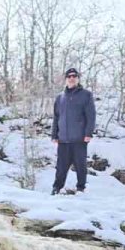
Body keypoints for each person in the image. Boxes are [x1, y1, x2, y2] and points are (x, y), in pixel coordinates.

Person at [50, 67, 96, 195]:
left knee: (80, 165)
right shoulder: (60, 97)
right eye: (69, 76)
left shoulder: (86, 95)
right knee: (61, 167)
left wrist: (88, 133)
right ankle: (56, 188)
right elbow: (56, 117)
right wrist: (54, 134)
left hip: (79, 138)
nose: (71, 78)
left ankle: (81, 188)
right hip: (63, 139)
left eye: (74, 76)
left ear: (78, 78)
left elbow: (90, 116)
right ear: (66, 79)